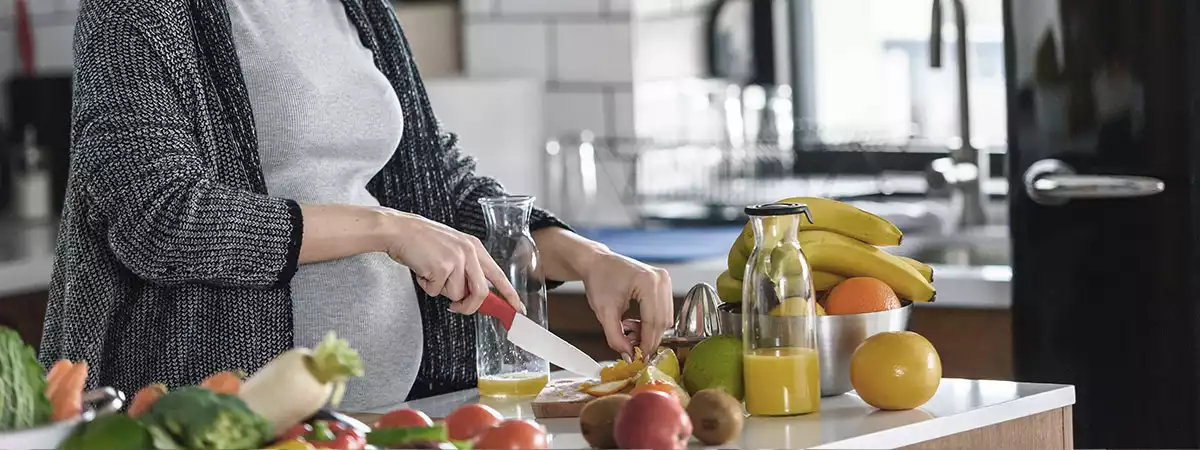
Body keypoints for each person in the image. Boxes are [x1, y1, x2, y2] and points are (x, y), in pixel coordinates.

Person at [39, 0, 674, 411]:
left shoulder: (356, 7)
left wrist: (587, 258)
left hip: (399, 410)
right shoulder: (136, 13)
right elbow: (156, 216)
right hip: (229, 412)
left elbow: (433, 177)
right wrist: (385, 229)